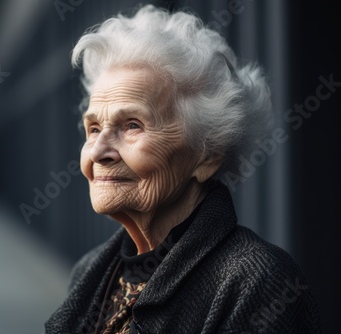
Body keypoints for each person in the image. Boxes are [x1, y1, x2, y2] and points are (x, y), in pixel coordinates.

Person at [45, 5, 320, 334]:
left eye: (132, 125)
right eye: (93, 129)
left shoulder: (256, 282)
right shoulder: (89, 272)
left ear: (207, 155)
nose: (99, 151)